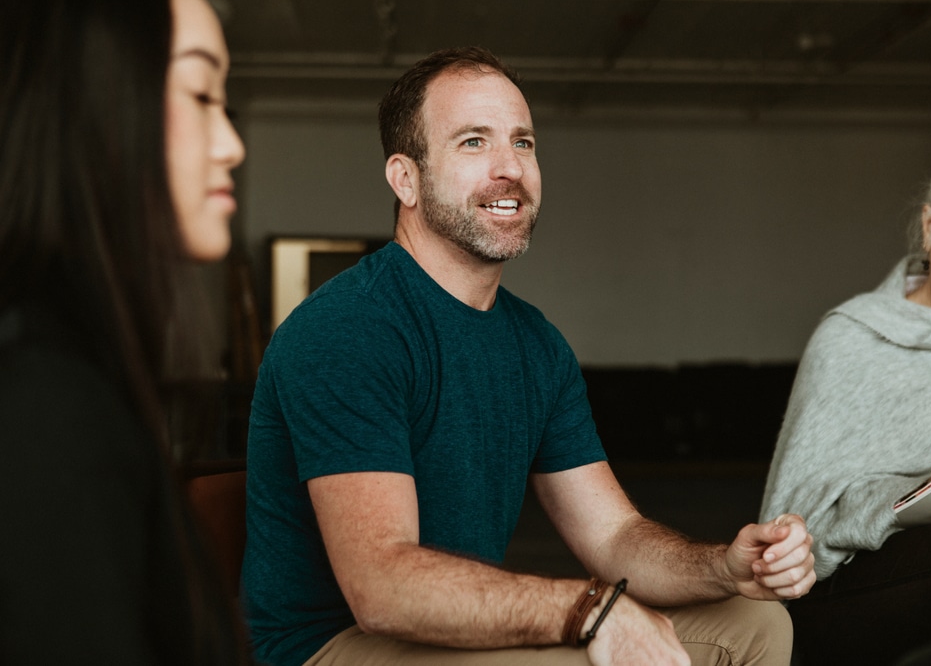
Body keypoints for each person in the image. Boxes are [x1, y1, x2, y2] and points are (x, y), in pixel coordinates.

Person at [243, 46, 815, 666]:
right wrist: (589, 612)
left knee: (756, 623)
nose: (509, 168)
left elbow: (615, 536)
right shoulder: (348, 329)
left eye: (523, 142)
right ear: (405, 178)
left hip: (443, 628)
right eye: (472, 142)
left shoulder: (535, 344)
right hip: (336, 646)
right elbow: (382, 588)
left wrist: (723, 567)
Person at [0, 0, 246, 663]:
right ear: (93, 105)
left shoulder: (76, 369)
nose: (232, 144)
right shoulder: (46, 400)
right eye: (200, 93)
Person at [759, 113, 931, 665]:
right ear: (930, 226)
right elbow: (797, 519)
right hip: (850, 595)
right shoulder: (855, 335)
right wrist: (925, 490)